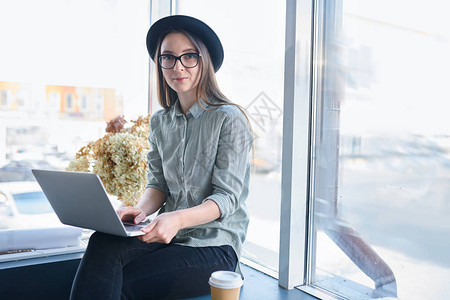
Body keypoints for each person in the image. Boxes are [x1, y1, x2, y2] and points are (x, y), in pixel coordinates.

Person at [70, 15, 252, 300]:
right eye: (168, 58)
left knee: (121, 282)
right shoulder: (160, 122)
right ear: (159, 65)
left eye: (188, 56)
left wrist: (177, 219)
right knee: (102, 242)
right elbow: (158, 185)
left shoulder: (229, 119)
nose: (178, 66)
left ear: (203, 61)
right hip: (170, 238)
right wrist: (140, 211)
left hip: (215, 248)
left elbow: (226, 198)